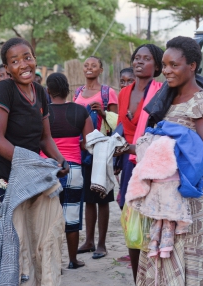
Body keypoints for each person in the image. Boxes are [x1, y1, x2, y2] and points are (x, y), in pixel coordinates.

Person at [131, 36, 203, 285]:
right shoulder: (168, 99)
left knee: (186, 256)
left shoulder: (201, 101)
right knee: (162, 256)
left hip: (188, 200)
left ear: (192, 66)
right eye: (165, 65)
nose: (167, 71)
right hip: (164, 199)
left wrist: (162, 150)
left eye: (174, 65)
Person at [0, 37, 69, 286]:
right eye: (15, 61)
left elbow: (45, 138)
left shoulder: (40, 92)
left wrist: (61, 161)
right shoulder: (5, 89)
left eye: (27, 57)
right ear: (7, 69)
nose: (23, 64)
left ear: (35, 59)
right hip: (2, 180)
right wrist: (31, 163)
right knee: (2, 250)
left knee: (29, 244)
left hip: (29, 182)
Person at [115, 44, 164, 282]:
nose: (139, 62)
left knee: (153, 222)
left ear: (157, 66)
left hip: (153, 164)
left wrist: (137, 148)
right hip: (129, 165)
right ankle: (138, 278)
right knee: (131, 223)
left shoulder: (163, 92)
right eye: (136, 58)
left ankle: (154, 275)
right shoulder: (123, 93)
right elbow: (124, 130)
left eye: (146, 58)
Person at [45, 72, 94, 269]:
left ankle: (52, 264)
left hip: (48, 169)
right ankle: (73, 260)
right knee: (71, 215)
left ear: (48, 91)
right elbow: (90, 142)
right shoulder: (81, 111)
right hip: (73, 168)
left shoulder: (42, 112)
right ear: (68, 90)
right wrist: (77, 143)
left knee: (48, 217)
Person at [74, 56, 118, 259]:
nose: (89, 68)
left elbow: (117, 124)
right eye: (86, 65)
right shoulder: (78, 93)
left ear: (101, 70)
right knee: (88, 198)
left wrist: (102, 112)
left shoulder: (107, 93)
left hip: (101, 150)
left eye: (94, 65)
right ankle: (89, 241)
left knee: (102, 197)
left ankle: (102, 244)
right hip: (82, 150)